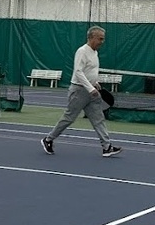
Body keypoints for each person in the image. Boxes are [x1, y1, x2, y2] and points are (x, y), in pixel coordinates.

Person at [41, 25, 122, 157]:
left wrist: (95, 83)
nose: (102, 42)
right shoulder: (82, 51)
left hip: (92, 91)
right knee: (69, 118)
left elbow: (89, 71)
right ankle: (48, 139)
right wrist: (90, 88)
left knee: (98, 119)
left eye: (103, 39)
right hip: (79, 91)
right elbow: (78, 72)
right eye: (100, 39)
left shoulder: (95, 53)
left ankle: (107, 147)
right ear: (91, 38)